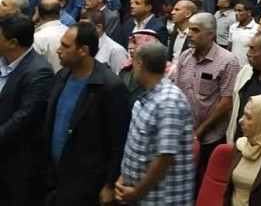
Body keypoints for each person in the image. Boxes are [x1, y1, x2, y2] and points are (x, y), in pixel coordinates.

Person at [46, 22, 131, 205]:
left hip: (87, 182)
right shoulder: (62, 76)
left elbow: (119, 142)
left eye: (65, 46)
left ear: (83, 50)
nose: (59, 50)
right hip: (56, 176)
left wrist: (109, 184)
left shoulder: (110, 87)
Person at [116, 41, 194, 204]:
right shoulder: (145, 98)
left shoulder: (169, 102)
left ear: (139, 64)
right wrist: (123, 178)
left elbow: (164, 158)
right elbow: (135, 147)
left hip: (161, 199)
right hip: (139, 196)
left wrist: (136, 192)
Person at [174, 13, 240, 185]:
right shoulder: (185, 57)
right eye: (189, 29)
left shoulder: (227, 61)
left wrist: (200, 131)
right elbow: (177, 91)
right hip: (184, 131)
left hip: (211, 136)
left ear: (211, 34)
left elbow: (226, 102)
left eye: (195, 30)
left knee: (204, 182)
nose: (190, 34)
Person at [0, 13, 54, 205]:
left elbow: (25, 116)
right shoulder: (3, 62)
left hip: (18, 163)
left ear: (12, 43)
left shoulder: (39, 71)